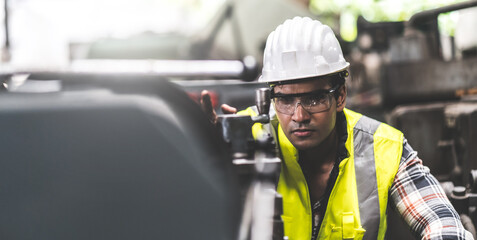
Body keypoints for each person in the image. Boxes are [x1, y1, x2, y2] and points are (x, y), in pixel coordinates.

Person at [201, 16, 473, 240]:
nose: (299, 116)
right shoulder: (245, 135)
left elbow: (442, 223)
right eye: (284, 100)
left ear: (340, 95)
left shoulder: (383, 148)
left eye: (314, 99)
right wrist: (203, 151)